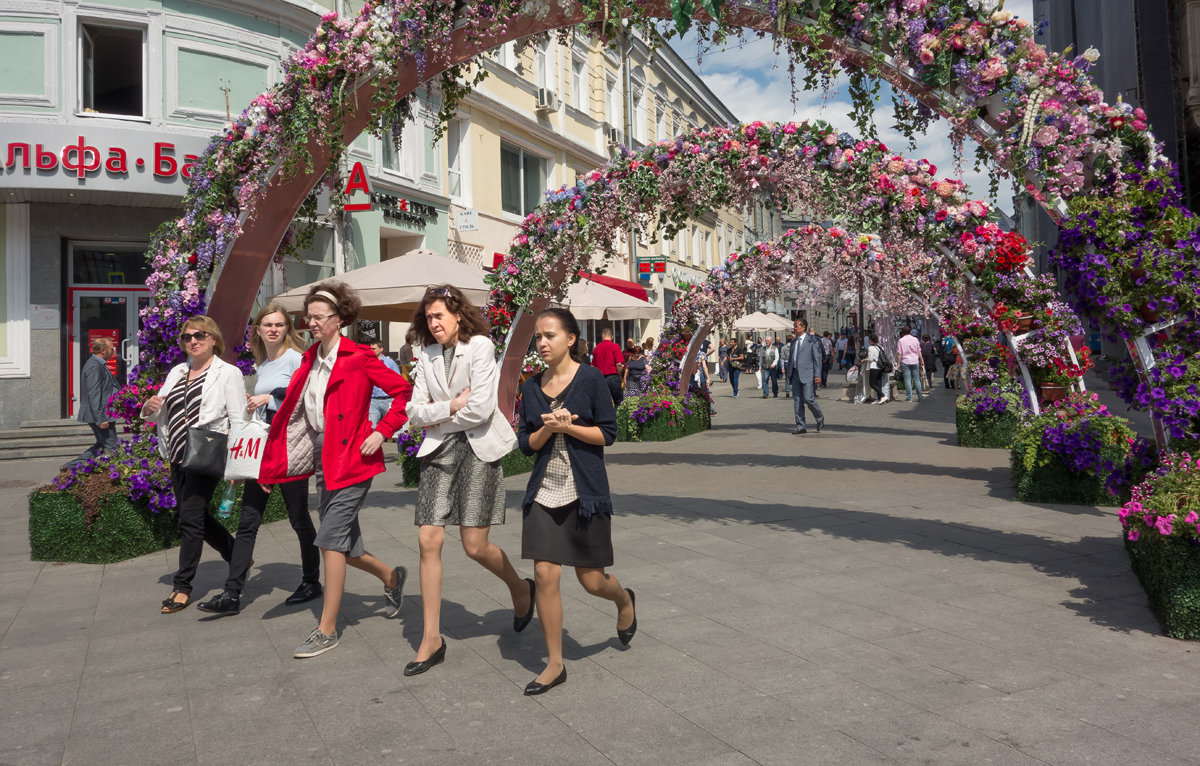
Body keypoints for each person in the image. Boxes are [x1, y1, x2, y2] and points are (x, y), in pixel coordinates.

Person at [259, 281, 413, 658]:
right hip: (321, 457)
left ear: (340, 319)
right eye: (307, 317)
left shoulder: (358, 357)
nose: (310, 322)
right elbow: (295, 412)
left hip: (353, 459)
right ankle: (392, 577)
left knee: (329, 539)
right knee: (345, 546)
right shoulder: (310, 358)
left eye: (318, 317)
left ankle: (327, 629)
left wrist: (382, 431)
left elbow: (404, 393)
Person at [404, 285, 532, 676]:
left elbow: (480, 409)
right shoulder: (424, 355)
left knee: (475, 546)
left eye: (439, 315)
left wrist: (438, 413)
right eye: (428, 317)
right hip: (438, 451)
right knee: (429, 538)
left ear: (458, 314)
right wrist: (450, 406)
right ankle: (431, 638)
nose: (434, 323)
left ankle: (519, 588)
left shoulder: (479, 347)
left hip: (478, 450)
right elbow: (413, 411)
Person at [517, 308, 636, 696]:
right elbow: (525, 443)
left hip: (584, 492)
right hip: (544, 492)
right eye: (538, 337)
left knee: (591, 580)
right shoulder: (531, 387)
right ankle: (555, 664)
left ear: (571, 338)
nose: (542, 343)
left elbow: (609, 433)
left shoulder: (591, 380)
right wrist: (546, 431)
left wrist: (570, 427)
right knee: (545, 575)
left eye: (549, 335)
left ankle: (622, 600)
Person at [195, 304, 322, 615]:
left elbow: (304, 397)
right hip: (264, 451)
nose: (274, 329)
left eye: (280, 324)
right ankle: (232, 593)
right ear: (258, 330)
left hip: (290, 450)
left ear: (288, 329)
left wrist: (272, 397)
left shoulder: (296, 359)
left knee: (299, 519)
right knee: (248, 522)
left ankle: (311, 581)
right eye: (268, 324)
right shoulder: (263, 364)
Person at [141, 315, 246, 614]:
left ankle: (182, 586)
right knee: (194, 515)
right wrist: (148, 408)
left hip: (205, 454)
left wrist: (236, 465)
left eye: (200, 335)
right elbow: (160, 409)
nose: (193, 341)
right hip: (176, 454)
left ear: (213, 339)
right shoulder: (176, 371)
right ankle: (237, 554)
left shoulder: (228, 373)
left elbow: (238, 420)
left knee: (189, 519)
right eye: (187, 337)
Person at [75, 336, 120, 461]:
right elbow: (94, 393)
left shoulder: (98, 364)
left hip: (103, 413)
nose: (114, 351)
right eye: (111, 348)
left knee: (102, 445)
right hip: (100, 415)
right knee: (112, 447)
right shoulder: (94, 366)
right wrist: (100, 418)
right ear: (102, 350)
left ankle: (69, 467)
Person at [787, 318, 825, 434]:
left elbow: (817, 358)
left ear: (803, 327)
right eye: (794, 326)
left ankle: (819, 417)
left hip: (808, 373)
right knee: (797, 400)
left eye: (796, 326)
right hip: (795, 373)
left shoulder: (812, 340)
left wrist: (817, 375)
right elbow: (791, 358)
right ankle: (801, 426)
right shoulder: (793, 342)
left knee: (808, 398)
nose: (794, 328)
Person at [368, 340, 402, 427]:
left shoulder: (390, 363)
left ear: (381, 349)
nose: (371, 350)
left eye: (374, 349)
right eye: (370, 348)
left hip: (388, 399)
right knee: (370, 426)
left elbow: (398, 380)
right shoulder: (368, 362)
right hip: (373, 400)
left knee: (395, 425)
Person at [591, 328, 625, 406]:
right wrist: (620, 375)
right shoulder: (615, 346)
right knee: (618, 402)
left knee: (603, 404)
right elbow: (618, 364)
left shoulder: (596, 348)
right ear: (612, 337)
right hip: (612, 377)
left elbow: (593, 366)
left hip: (600, 378)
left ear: (602, 336)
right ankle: (616, 418)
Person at [896, 325, 925, 402]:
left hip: (905, 361)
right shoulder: (915, 339)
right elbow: (919, 351)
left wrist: (898, 363)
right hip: (915, 360)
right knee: (917, 379)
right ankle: (920, 396)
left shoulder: (901, 340)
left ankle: (909, 398)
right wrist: (922, 360)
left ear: (903, 332)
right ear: (910, 332)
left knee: (907, 380)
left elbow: (899, 353)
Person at [865, 332, 888, 404]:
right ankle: (880, 399)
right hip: (880, 367)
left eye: (869, 339)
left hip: (874, 366)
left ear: (871, 340)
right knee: (878, 383)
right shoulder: (880, 347)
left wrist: (864, 360)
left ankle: (883, 396)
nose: (868, 341)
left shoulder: (870, 348)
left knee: (872, 383)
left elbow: (871, 359)